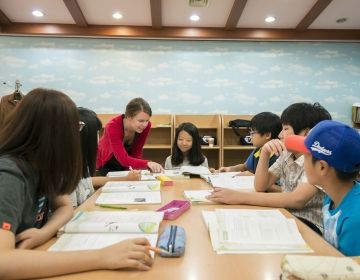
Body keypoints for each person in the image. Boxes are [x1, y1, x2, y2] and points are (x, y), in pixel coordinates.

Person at [0, 88, 153, 279]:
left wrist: (44, 232)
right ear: (51, 132)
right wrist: (102, 256)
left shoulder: (43, 164)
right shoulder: (9, 173)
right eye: (75, 127)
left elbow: (64, 206)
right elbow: (3, 262)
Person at [208, 102, 331, 235]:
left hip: (310, 226)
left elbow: (297, 200)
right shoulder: (287, 154)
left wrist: (239, 197)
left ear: (307, 133)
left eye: (285, 129)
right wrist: (265, 153)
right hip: (286, 216)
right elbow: (261, 186)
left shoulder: (316, 160)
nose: (279, 135)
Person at [285, 120, 360, 256]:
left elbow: (352, 271)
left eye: (305, 155)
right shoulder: (331, 197)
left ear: (322, 167)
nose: (303, 160)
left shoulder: (354, 220)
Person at [70, 107, 141, 208]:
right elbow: (70, 210)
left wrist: (126, 179)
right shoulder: (65, 169)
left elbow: (85, 181)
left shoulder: (80, 161)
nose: (99, 139)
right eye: (97, 134)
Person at [96, 97, 163, 175]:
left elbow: (136, 153)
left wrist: (132, 171)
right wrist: (148, 163)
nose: (144, 125)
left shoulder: (146, 126)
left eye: (147, 120)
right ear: (128, 116)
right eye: (140, 121)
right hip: (106, 164)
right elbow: (123, 159)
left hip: (126, 163)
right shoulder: (112, 127)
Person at [217, 112, 282, 174]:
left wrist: (252, 177)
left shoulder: (278, 156)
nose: (250, 136)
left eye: (252, 133)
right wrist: (232, 168)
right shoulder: (258, 150)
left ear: (267, 135)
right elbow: (245, 166)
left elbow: (271, 183)